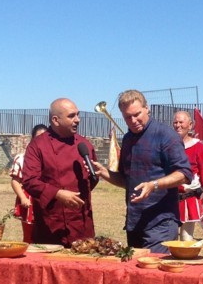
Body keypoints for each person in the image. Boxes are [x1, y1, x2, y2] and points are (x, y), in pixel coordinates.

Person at [93, 89, 192, 251]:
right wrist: (106, 173)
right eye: (127, 117)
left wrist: (154, 185)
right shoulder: (127, 139)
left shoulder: (166, 135)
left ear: (147, 108)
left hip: (160, 223)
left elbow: (184, 174)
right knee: (136, 273)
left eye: (137, 114)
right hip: (134, 222)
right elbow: (127, 181)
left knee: (153, 274)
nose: (133, 120)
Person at [20, 99, 99, 247]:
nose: (78, 120)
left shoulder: (84, 145)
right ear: (55, 120)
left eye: (78, 115)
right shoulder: (38, 145)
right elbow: (30, 181)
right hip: (51, 225)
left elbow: (93, 179)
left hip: (81, 225)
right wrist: (57, 194)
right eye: (71, 116)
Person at [172, 110, 203, 241]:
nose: (178, 125)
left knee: (186, 239)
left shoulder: (200, 148)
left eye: (181, 122)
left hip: (188, 198)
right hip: (169, 199)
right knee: (169, 238)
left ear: (190, 125)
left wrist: (197, 186)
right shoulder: (167, 146)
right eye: (175, 122)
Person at [10, 124, 48, 243]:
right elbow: (15, 181)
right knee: (29, 236)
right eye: (38, 137)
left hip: (46, 199)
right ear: (32, 139)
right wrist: (22, 198)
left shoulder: (52, 158)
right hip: (29, 200)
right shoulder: (22, 158)